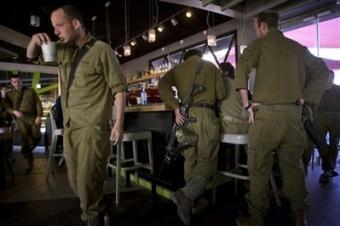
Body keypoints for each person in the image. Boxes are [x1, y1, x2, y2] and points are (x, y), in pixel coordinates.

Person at [26, 5, 126, 226]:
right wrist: (34, 41)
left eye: (59, 25)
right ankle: (99, 208)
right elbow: (31, 56)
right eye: (53, 27)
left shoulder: (102, 50)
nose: (56, 31)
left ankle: (92, 218)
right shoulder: (62, 49)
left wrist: (118, 123)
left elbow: (119, 89)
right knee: (74, 180)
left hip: (93, 126)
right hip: (71, 126)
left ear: (76, 24)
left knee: (87, 180)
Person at [234, 11, 329, 226]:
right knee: (293, 167)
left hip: (265, 116)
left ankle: (257, 217)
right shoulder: (298, 48)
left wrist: (246, 104)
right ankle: (300, 216)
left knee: (258, 168)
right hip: (293, 117)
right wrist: (307, 98)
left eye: (256, 26)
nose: (256, 30)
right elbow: (322, 71)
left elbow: (241, 68)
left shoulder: (258, 46)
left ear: (263, 26)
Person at [158, 49, 225, 226]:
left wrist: (175, 106)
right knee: (206, 159)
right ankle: (186, 195)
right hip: (206, 115)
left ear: (186, 57)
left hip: (185, 118)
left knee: (190, 159)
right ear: (199, 56)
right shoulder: (212, 68)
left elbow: (162, 85)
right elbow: (221, 94)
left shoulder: (178, 68)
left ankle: (192, 203)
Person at [5, 74, 43, 174]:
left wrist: (39, 116)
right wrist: (14, 111)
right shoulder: (9, 94)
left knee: (37, 135)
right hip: (20, 120)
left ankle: (28, 148)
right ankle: (29, 162)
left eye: (18, 81)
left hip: (33, 118)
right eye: (14, 82)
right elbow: (7, 108)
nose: (17, 83)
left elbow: (38, 103)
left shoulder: (30, 91)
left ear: (22, 81)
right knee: (24, 140)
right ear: (11, 83)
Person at [314, 70, 340, 183]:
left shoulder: (338, 89)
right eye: (327, 78)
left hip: (336, 118)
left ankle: (328, 170)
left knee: (334, 144)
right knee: (321, 144)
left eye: (331, 78)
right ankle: (328, 168)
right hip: (319, 118)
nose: (329, 81)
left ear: (333, 79)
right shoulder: (317, 90)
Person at [218, 62, 248, 134]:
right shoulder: (240, 84)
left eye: (218, 71)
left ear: (225, 72)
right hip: (245, 126)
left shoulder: (222, 83)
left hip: (228, 125)